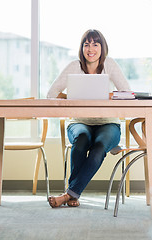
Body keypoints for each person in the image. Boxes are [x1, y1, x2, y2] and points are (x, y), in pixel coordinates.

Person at [47, 29, 131, 207]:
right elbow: (51, 94)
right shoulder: (74, 66)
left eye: (95, 44)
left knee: (98, 148)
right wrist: (71, 97)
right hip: (79, 122)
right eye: (86, 44)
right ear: (82, 48)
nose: (90, 48)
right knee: (80, 142)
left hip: (108, 124)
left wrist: (108, 95)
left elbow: (127, 93)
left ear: (102, 47)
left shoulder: (110, 65)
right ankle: (73, 195)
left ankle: (68, 195)